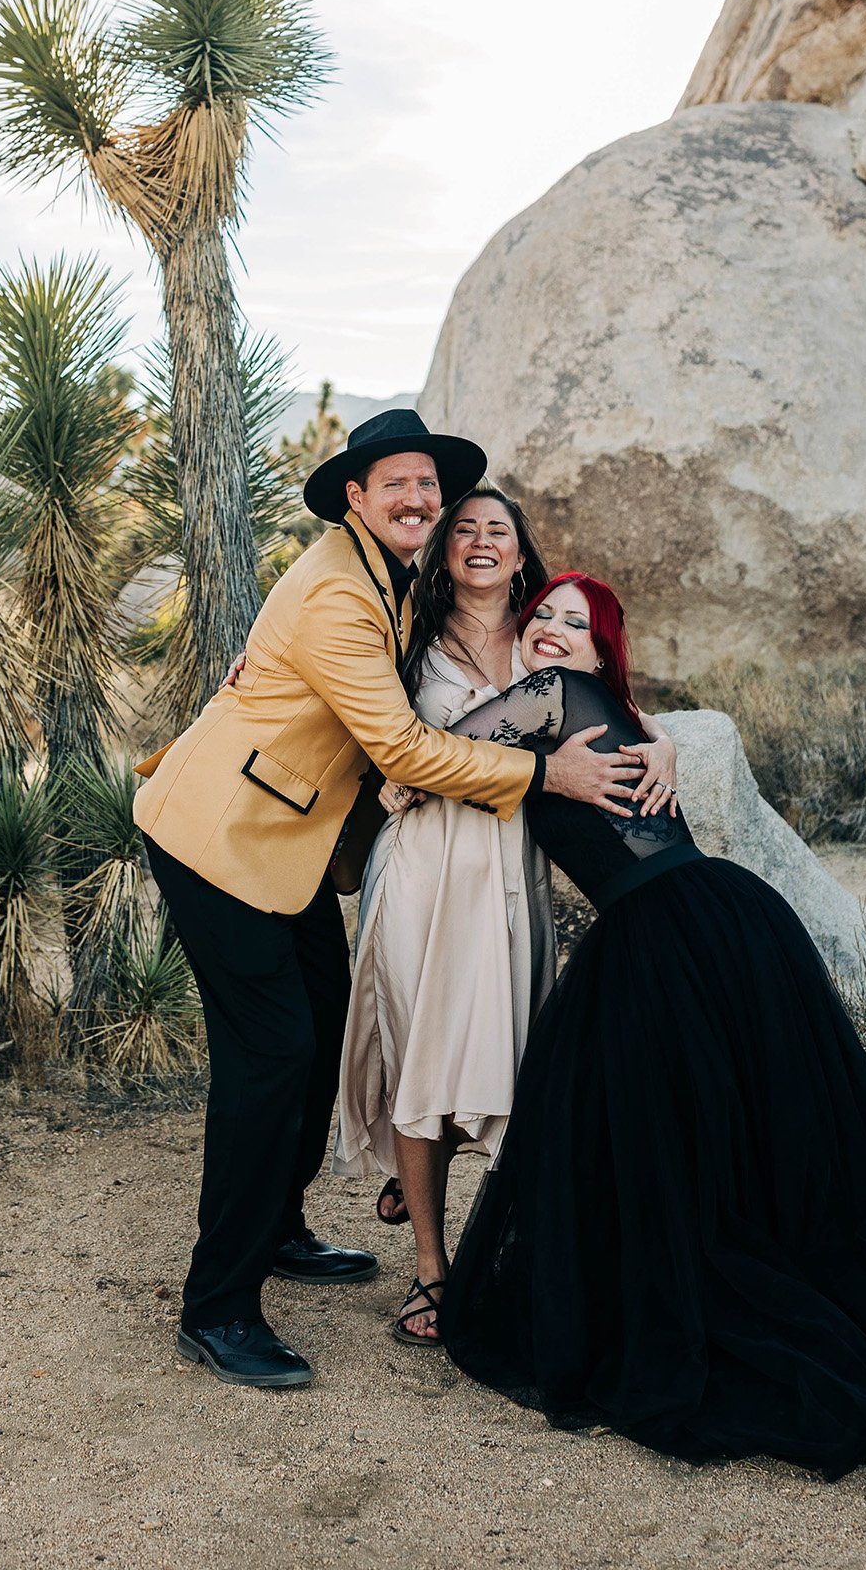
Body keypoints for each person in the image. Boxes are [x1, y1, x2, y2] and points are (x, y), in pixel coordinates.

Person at [437, 573, 866, 1479]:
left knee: (660, 1133)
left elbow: (430, 748)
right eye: (541, 614)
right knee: (721, 1137)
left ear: (601, 648)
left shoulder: (550, 696)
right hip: (718, 921)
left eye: (573, 624)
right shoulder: (611, 709)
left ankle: (681, 1307)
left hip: (667, 930)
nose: (549, 629)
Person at [132, 412, 641, 1391]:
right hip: (214, 838)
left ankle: (277, 1227)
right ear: (354, 497)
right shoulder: (335, 592)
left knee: (319, 1028)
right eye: (393, 483)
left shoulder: (391, 571)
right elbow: (404, 746)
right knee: (272, 1051)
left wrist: (642, 734)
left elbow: (538, 654)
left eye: (425, 484)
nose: (415, 498)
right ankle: (217, 1306)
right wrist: (545, 779)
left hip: (286, 844)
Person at [332, 491, 680, 1344]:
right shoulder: (405, 629)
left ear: (522, 555)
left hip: (509, 872)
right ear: (444, 551)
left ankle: (477, 1220)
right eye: (465, 530)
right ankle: (431, 1266)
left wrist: (662, 738)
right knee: (421, 1049)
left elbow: (596, 691)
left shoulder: (539, 633)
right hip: (423, 861)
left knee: (502, 1051)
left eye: (500, 531)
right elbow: (338, 703)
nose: (482, 541)